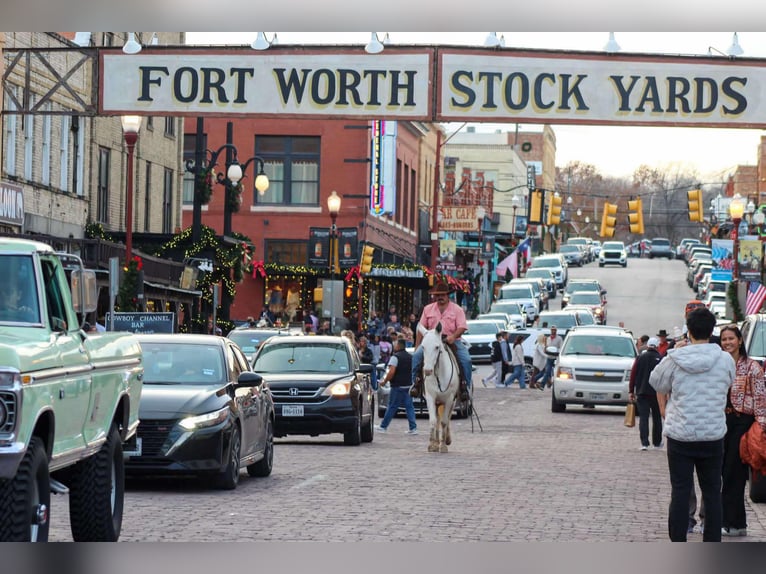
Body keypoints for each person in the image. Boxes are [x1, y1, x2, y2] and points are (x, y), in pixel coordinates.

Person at [649, 307, 735, 542]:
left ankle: (678, 541)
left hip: (681, 435)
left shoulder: (676, 359)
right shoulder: (725, 359)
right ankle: (711, 542)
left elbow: (656, 382)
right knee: (712, 493)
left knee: (680, 491)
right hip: (713, 434)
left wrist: (673, 354)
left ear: (689, 331)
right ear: (712, 331)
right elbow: (730, 381)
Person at [718, 324, 766, 537]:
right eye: (724, 339)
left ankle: (733, 522)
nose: (727, 343)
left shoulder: (752, 367)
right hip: (721, 421)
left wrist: (761, 427)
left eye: (731, 338)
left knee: (733, 473)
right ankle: (734, 522)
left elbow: (761, 399)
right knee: (722, 472)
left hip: (742, 422)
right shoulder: (718, 364)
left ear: (739, 340)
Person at [411, 281, 472, 397]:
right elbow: (421, 328)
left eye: (442, 295)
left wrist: (453, 336)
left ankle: (465, 386)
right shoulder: (427, 309)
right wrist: (417, 346)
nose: (440, 297)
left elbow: (462, 326)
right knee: (416, 357)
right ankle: (415, 383)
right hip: (431, 340)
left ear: (447, 295)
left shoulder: (457, 309)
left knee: (466, 360)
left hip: (450, 340)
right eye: (437, 295)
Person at [375, 337, 418, 435]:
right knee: (409, 407)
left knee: (392, 406)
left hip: (397, 386)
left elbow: (391, 372)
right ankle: (413, 428)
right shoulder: (410, 357)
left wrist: (384, 381)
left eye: (395, 344)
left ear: (398, 346)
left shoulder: (395, 357)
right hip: (408, 385)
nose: (394, 346)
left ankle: (383, 426)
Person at [629, 336, 664, 451]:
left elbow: (633, 374)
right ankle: (657, 442)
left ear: (648, 345)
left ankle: (644, 443)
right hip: (656, 392)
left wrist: (631, 390)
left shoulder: (640, 358)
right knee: (657, 418)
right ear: (657, 346)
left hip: (642, 392)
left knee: (643, 418)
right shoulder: (660, 358)